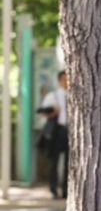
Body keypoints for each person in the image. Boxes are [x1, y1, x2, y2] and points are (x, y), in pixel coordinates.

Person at [39, 69, 68, 199]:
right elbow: (43, 113)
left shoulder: (76, 95)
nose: (67, 82)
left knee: (70, 162)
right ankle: (53, 189)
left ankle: (66, 191)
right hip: (57, 130)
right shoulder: (53, 96)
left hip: (71, 131)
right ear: (59, 81)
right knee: (54, 161)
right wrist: (55, 112)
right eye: (64, 79)